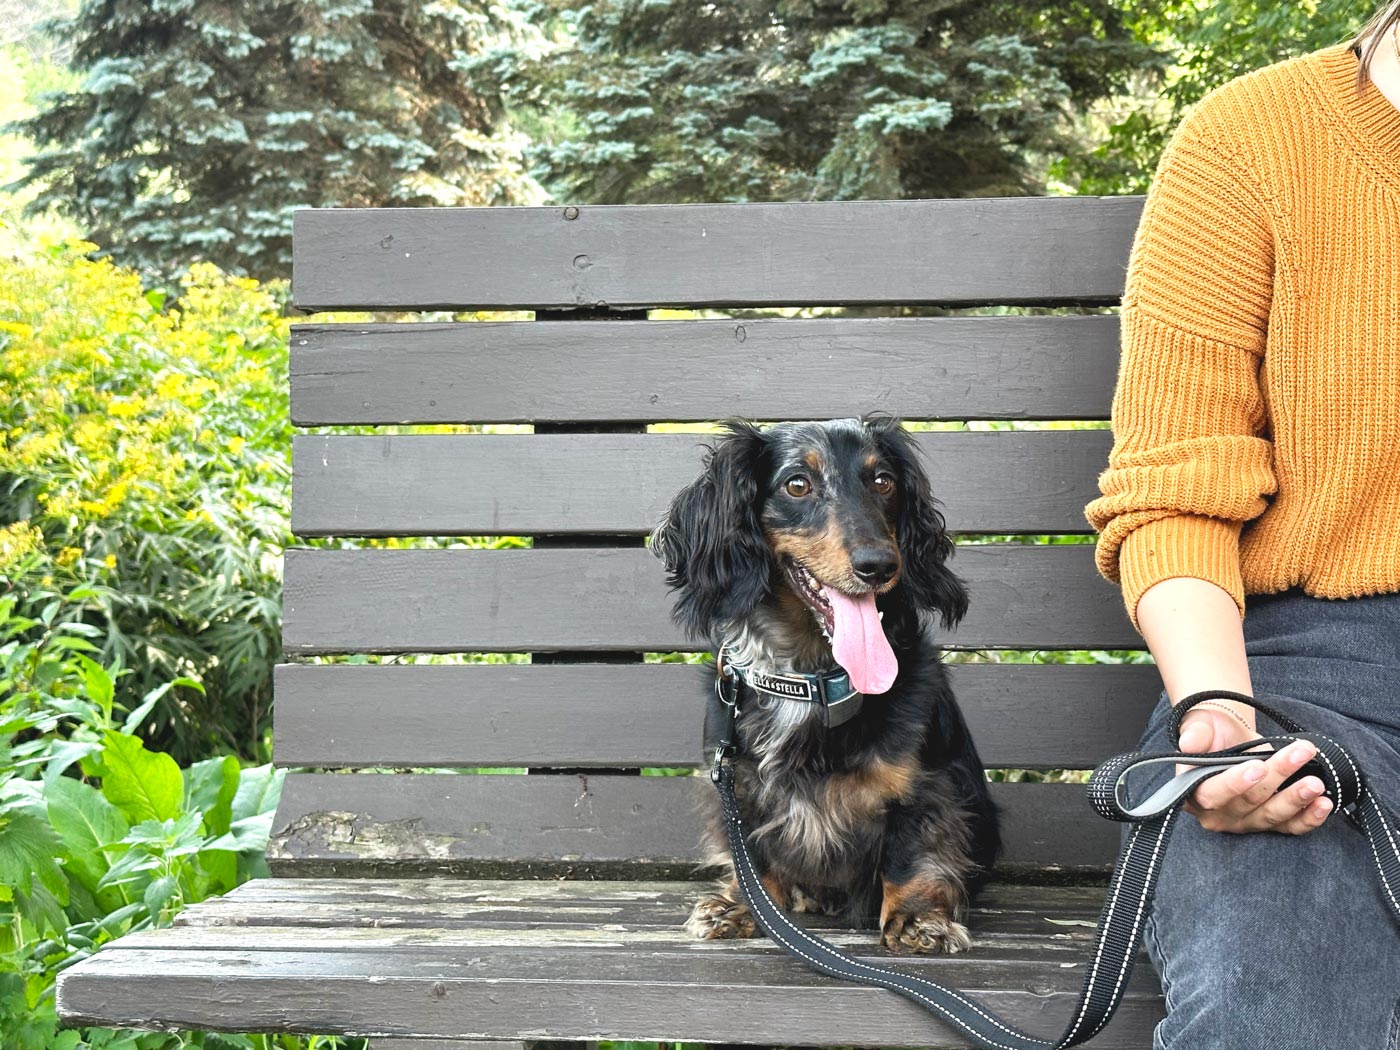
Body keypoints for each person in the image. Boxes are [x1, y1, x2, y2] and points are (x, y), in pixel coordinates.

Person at [1084, 5, 1400, 1047]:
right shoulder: (1251, 140)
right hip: (1313, 669)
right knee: (1275, 992)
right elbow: (1173, 488)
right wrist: (1220, 714)